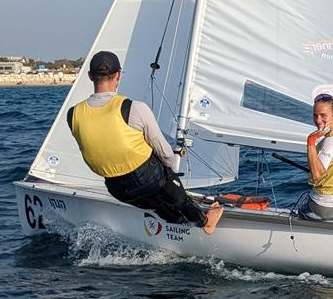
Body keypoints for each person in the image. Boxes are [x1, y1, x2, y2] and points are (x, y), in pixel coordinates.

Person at [67, 51, 223, 234]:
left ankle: (178, 223)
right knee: (167, 178)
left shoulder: (73, 114)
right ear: (119, 74)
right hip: (147, 178)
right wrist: (171, 172)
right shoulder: (133, 108)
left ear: (90, 76)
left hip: (116, 189)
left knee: (157, 205)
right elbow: (164, 151)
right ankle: (204, 222)